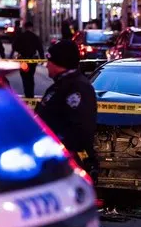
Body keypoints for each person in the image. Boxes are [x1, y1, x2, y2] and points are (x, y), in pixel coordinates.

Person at [35, 40, 98, 181]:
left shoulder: (77, 88)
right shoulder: (60, 86)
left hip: (66, 164)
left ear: (58, 62)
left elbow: (81, 128)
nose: (46, 65)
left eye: (49, 61)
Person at [11, 21, 45, 99]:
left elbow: (14, 47)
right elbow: (40, 48)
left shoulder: (20, 36)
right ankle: (31, 94)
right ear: (31, 27)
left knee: (25, 77)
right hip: (33, 60)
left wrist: (20, 51)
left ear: (25, 27)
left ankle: (27, 93)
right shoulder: (35, 37)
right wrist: (42, 59)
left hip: (23, 59)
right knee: (30, 76)